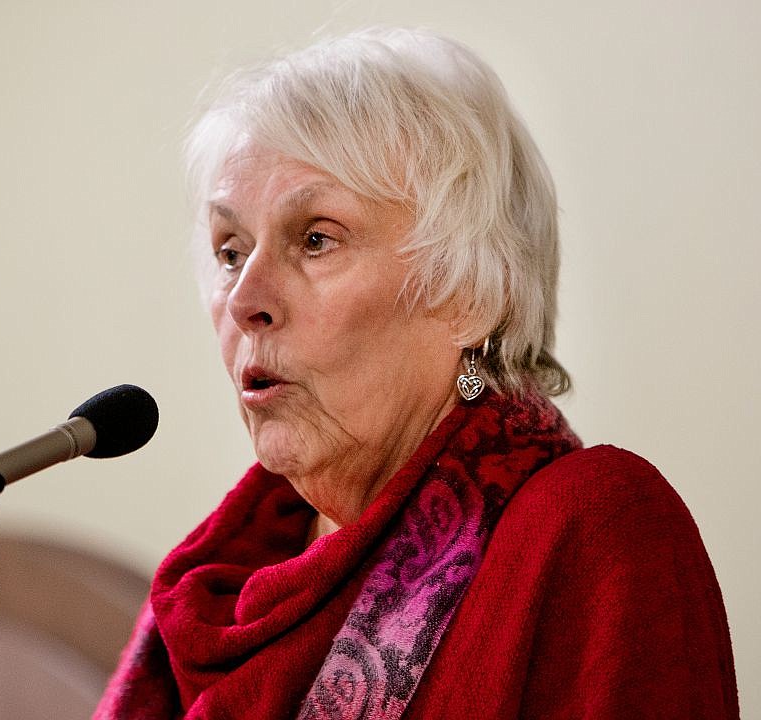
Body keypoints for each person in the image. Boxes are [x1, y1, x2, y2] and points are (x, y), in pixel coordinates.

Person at [95, 28, 738, 719]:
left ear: (470, 295)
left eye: (315, 238)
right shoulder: (212, 581)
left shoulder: (593, 530)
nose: (246, 301)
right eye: (230, 252)